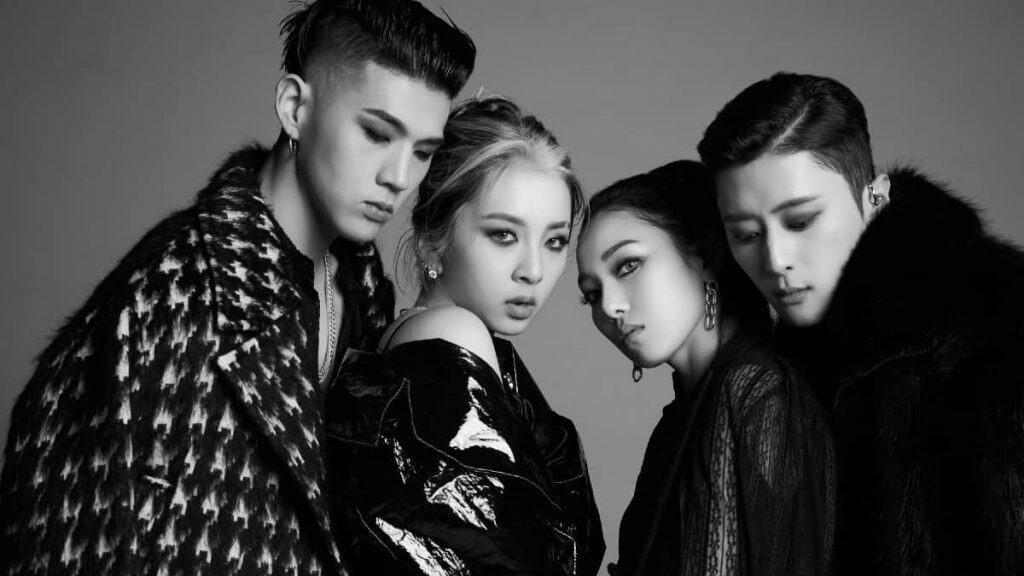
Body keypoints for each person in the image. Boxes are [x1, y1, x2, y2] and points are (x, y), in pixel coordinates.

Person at [0, 1, 475, 574]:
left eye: (422, 152)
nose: (398, 177)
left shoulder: (367, 295)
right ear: (295, 108)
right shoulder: (160, 306)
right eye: (376, 134)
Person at [698, 71, 1024, 575]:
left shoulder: (998, 327)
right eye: (745, 234)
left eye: (801, 221)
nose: (776, 259)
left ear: (876, 198)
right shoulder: (775, 370)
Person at [325, 95, 605, 576]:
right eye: (504, 235)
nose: (534, 270)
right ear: (433, 239)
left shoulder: (415, 340)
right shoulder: (452, 335)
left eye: (554, 241)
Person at [576, 160, 835, 576]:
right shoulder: (684, 416)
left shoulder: (755, 393)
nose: (609, 306)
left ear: (702, 257)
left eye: (628, 266)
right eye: (591, 293)